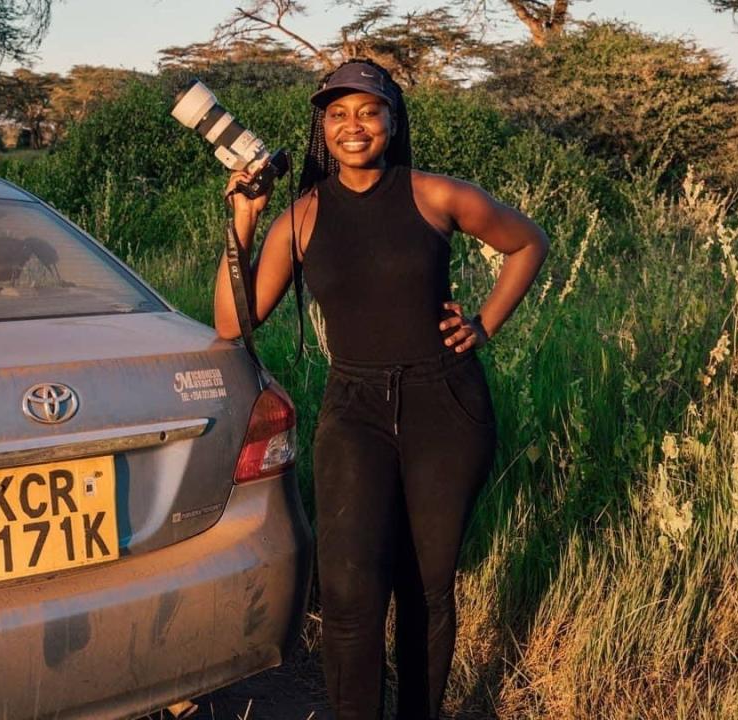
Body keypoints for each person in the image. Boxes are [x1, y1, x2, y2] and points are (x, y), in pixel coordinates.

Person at [213, 59, 549, 720]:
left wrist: (484, 323)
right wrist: (245, 217)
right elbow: (232, 320)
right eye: (337, 113)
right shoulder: (301, 217)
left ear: (392, 121)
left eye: (368, 110)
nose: (353, 125)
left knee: (425, 587)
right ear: (321, 129)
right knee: (346, 590)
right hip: (354, 409)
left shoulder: (435, 195)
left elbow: (528, 243)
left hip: (445, 406)